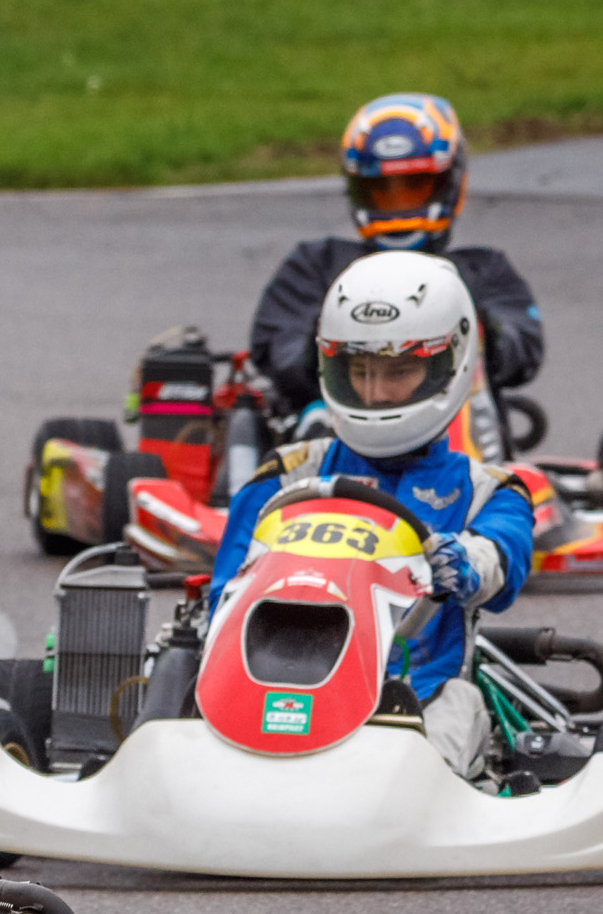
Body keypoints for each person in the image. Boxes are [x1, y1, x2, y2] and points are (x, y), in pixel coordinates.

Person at [210, 251, 535, 781]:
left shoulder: (488, 491)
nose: (375, 392)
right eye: (358, 371)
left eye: (399, 371)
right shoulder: (287, 476)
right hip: (272, 687)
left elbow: (501, 558)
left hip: (416, 697)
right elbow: (225, 595)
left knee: (457, 708)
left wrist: (463, 562)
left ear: (448, 365)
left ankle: (420, 796)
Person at [248, 93, 544, 437]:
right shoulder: (317, 267)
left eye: (414, 187)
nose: (399, 204)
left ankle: (460, 458)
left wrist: (470, 325)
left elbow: (522, 352)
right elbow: (279, 356)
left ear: (451, 183)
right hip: (338, 441)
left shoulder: (481, 272)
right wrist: (336, 331)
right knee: (315, 415)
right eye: (382, 190)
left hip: (463, 445)